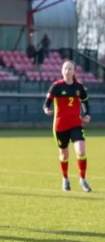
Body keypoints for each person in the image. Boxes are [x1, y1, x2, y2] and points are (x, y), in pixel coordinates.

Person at [43, 60, 91, 192]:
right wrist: (46, 109)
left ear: (74, 71)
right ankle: (65, 179)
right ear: (61, 71)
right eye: (65, 68)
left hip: (76, 124)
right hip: (60, 126)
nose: (67, 71)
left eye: (70, 69)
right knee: (64, 156)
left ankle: (82, 179)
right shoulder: (56, 87)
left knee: (81, 152)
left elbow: (85, 102)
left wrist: (87, 114)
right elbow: (47, 102)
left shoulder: (79, 87)